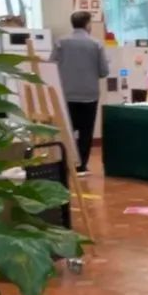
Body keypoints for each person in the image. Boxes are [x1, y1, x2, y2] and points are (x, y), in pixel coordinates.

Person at [52, 11, 109, 175]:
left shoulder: (60, 42)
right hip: (89, 95)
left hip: (66, 94)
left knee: (67, 130)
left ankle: (66, 163)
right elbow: (104, 71)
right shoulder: (96, 44)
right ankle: (81, 166)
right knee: (86, 131)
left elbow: (51, 65)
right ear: (88, 24)